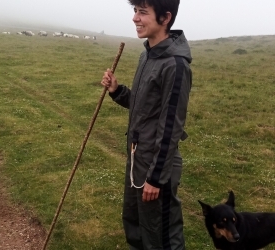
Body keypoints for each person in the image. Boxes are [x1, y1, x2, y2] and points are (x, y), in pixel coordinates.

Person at [101, 0, 192, 249]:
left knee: (160, 233)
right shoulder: (147, 55)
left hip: (155, 165)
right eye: (135, 11)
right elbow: (143, 106)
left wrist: (155, 178)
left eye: (143, 12)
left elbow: (170, 126)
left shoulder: (175, 65)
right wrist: (117, 91)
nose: (135, 18)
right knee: (134, 223)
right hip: (137, 158)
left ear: (165, 18)